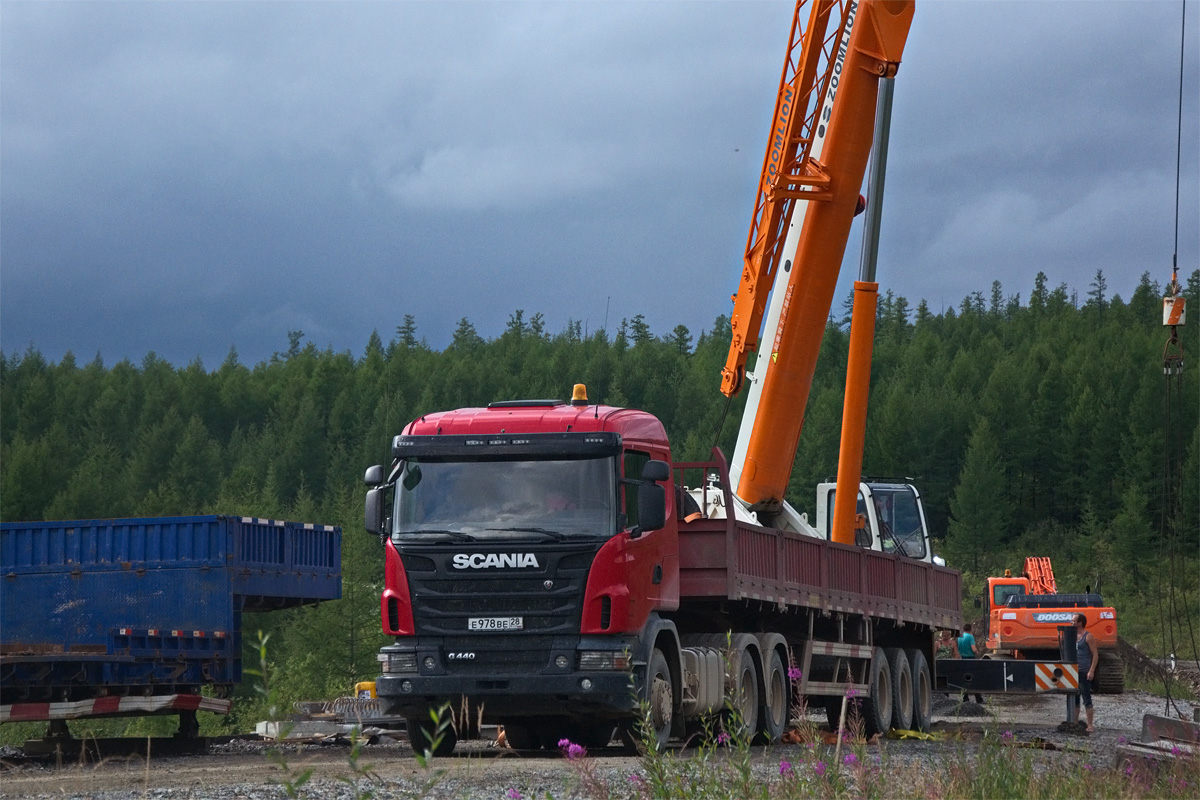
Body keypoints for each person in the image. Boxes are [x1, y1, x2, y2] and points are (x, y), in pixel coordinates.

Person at [1075, 613, 1099, 733]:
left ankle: (1090, 724)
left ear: (1080, 622)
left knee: (1086, 697)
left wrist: (1091, 670)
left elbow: (1095, 654)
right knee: (1075, 698)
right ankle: (1074, 722)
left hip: (1084, 671)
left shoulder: (1088, 637)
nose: (1071, 622)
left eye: (1074, 620)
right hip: (1073, 672)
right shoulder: (1072, 636)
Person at [956, 624, 984, 704]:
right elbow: (973, 648)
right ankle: (978, 699)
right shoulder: (970, 637)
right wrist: (977, 652)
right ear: (970, 629)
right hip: (971, 659)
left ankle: (965, 698)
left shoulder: (959, 637)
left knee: (964, 679)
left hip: (962, 659)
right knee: (974, 679)